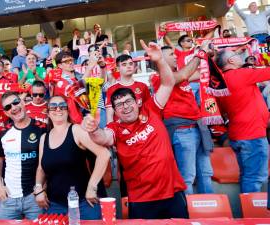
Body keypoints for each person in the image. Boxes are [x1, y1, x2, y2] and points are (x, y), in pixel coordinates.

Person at [82, 40, 188, 219]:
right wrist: (93, 129)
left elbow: (169, 83)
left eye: (128, 101)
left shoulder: (151, 109)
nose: (125, 107)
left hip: (172, 194)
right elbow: (103, 138)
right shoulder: (115, 127)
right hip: (141, 200)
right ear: (114, 110)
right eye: (119, 105)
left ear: (137, 102)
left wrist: (160, 60)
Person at [35, 95, 110, 219]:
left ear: (67, 110)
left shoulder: (76, 130)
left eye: (62, 106)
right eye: (53, 107)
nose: (58, 109)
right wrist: (38, 188)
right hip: (54, 205)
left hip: (83, 204)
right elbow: (40, 168)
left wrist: (92, 186)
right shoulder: (44, 138)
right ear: (48, 113)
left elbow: (104, 154)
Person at [153, 44, 214, 194]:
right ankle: (188, 215)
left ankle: (210, 215)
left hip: (197, 128)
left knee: (205, 174)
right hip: (183, 131)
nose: (175, 56)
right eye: (171, 54)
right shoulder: (158, 77)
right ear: (160, 59)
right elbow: (183, 75)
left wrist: (209, 56)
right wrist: (199, 54)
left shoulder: (180, 74)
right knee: (187, 177)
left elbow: (200, 72)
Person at [215, 48, 270, 193]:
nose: (240, 56)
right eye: (236, 54)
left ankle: (248, 210)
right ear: (231, 61)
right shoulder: (241, 74)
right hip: (252, 135)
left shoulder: (220, 82)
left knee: (248, 176)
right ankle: (253, 213)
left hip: (239, 134)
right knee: (255, 177)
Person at [0, 92, 46, 220]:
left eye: (16, 102)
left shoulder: (42, 128)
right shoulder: (3, 132)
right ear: (6, 113)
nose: (14, 107)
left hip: (34, 197)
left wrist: (43, 188)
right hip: (9, 198)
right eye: (8, 107)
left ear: (23, 102)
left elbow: (48, 162)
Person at [105, 54, 150, 124]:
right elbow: (109, 116)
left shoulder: (143, 86)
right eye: (124, 64)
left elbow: (149, 109)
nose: (128, 66)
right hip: (121, 130)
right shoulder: (112, 89)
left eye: (130, 63)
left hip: (141, 127)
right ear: (118, 68)